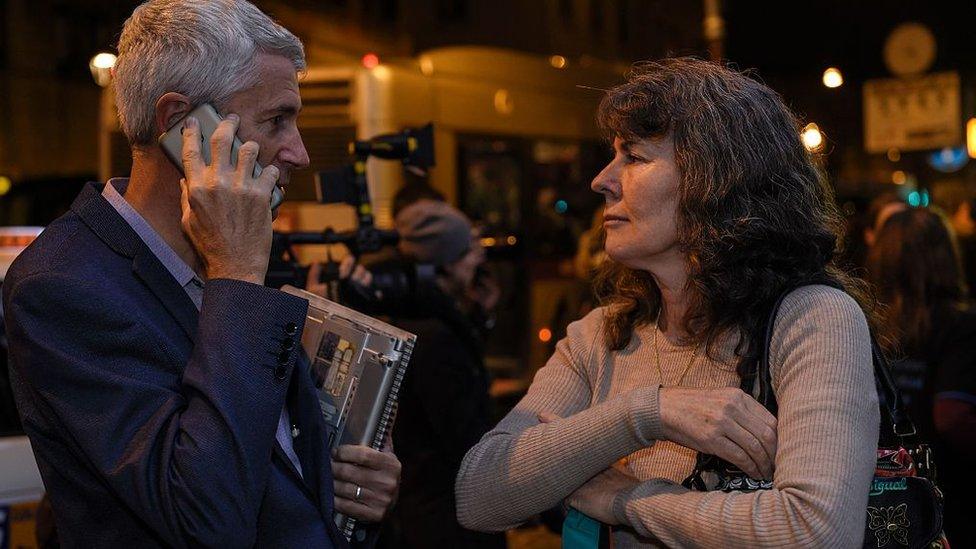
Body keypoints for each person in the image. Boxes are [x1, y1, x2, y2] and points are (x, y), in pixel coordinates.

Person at [2, 1, 399, 546]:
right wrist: (234, 274)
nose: (300, 153)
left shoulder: (244, 252)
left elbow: (273, 457)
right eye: (277, 119)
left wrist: (347, 489)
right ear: (181, 126)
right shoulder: (63, 285)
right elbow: (204, 519)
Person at [455, 58, 880, 547]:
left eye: (633, 157)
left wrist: (624, 499)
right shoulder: (601, 336)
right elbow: (479, 494)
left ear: (716, 180)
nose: (601, 180)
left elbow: (815, 532)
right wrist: (644, 414)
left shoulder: (811, 320)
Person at [378, 199, 506, 549]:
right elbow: (463, 436)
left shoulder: (412, 315)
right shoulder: (436, 337)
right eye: (468, 253)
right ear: (445, 265)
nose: (478, 260)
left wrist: (480, 318)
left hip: (424, 508)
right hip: (449, 516)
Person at [866, 207, 976, 544]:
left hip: (870, 494)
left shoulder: (862, 323)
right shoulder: (959, 325)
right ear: (945, 256)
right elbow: (953, 416)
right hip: (945, 497)